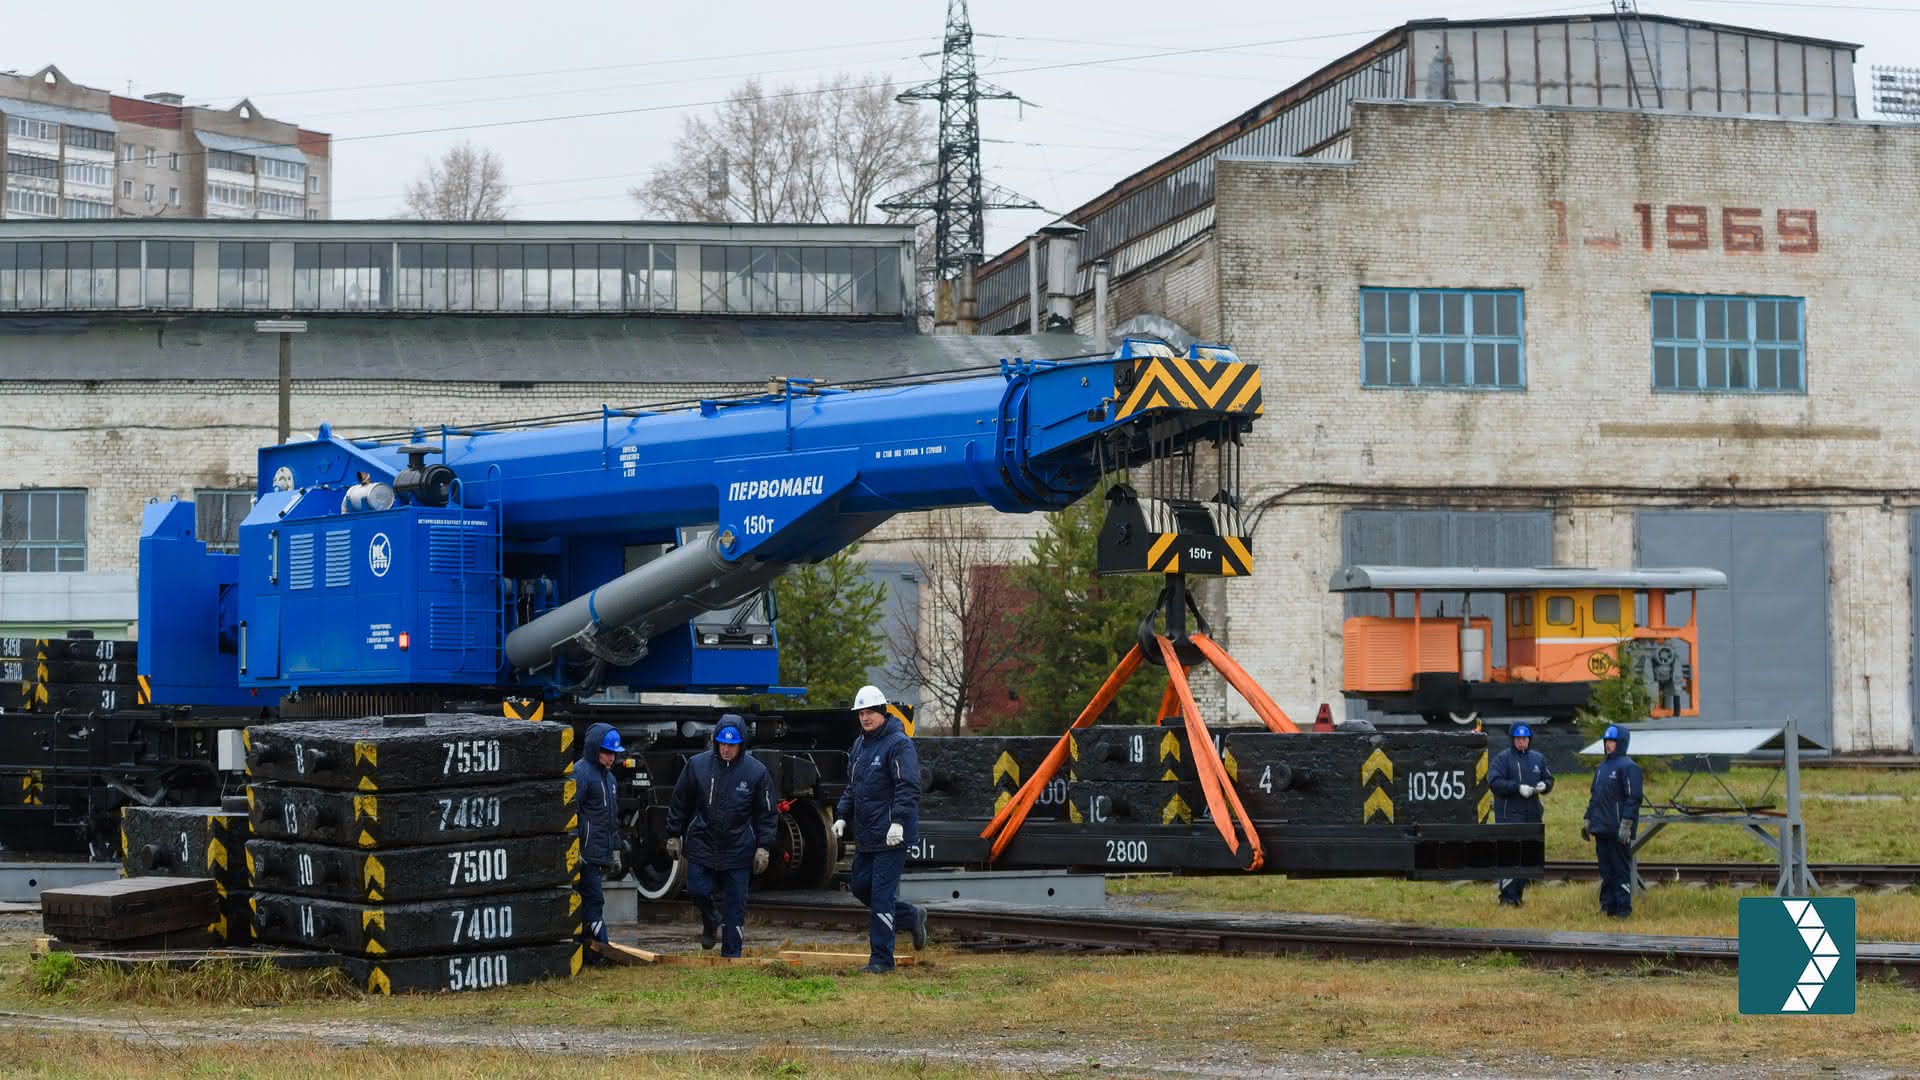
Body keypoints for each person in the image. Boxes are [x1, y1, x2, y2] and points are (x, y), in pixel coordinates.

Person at [833, 685, 928, 974]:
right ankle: (911, 917)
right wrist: (841, 815)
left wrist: (898, 821)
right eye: (861, 712)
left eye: (870, 711)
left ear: (882, 712)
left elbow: (908, 786)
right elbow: (854, 786)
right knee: (862, 888)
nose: (865, 717)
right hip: (868, 834)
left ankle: (881, 961)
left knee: (882, 897)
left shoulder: (899, 744)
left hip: (892, 835)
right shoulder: (860, 745)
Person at [664, 714, 776, 958]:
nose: (726, 749)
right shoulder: (696, 765)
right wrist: (674, 834)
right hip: (702, 842)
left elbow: (767, 813)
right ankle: (710, 918)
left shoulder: (756, 772)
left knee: (735, 906)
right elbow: (680, 801)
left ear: (741, 744)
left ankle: (731, 956)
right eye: (722, 743)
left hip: (738, 848)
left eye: (732, 744)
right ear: (716, 742)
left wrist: (763, 848)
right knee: (696, 889)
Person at [1487, 722, 1553, 907]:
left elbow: (1549, 778)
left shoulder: (1538, 759)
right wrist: (1517, 788)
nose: (1522, 742)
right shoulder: (1503, 759)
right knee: (1510, 856)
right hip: (1509, 815)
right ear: (1513, 740)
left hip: (1531, 814)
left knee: (1527, 856)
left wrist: (1544, 786)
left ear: (1529, 739)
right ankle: (1507, 897)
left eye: (1525, 739)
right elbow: (1494, 782)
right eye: (1518, 739)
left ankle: (1518, 896)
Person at [1582, 723, 1643, 918]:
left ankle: (1623, 909)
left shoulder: (1630, 767)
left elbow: (1634, 798)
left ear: (1621, 743)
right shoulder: (1601, 768)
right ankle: (1607, 907)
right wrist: (1588, 818)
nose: (1608, 745)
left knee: (1620, 870)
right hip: (1601, 828)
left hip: (1618, 829)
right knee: (1606, 871)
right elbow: (1595, 796)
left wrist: (1626, 824)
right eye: (1607, 741)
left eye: (1612, 742)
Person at [576, 723, 626, 960]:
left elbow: (611, 820)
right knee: (594, 899)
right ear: (595, 749)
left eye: (614, 753)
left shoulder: (611, 780)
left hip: (597, 853)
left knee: (591, 900)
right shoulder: (581, 774)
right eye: (607, 752)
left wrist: (615, 851)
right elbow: (570, 813)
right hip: (584, 853)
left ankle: (591, 952)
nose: (611, 758)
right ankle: (602, 950)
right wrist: (574, 849)